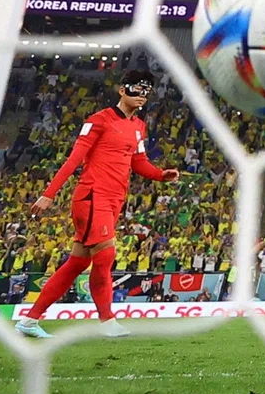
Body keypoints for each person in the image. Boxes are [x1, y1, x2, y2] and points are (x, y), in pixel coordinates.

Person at [15, 70, 180, 339]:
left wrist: (161, 175)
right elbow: (74, 159)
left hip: (114, 200)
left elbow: (138, 162)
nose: (142, 96)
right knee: (105, 256)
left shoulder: (138, 125)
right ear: (122, 90)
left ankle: (30, 321)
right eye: (137, 89)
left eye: (147, 91)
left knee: (76, 264)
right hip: (93, 196)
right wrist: (49, 193)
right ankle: (107, 321)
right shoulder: (99, 121)